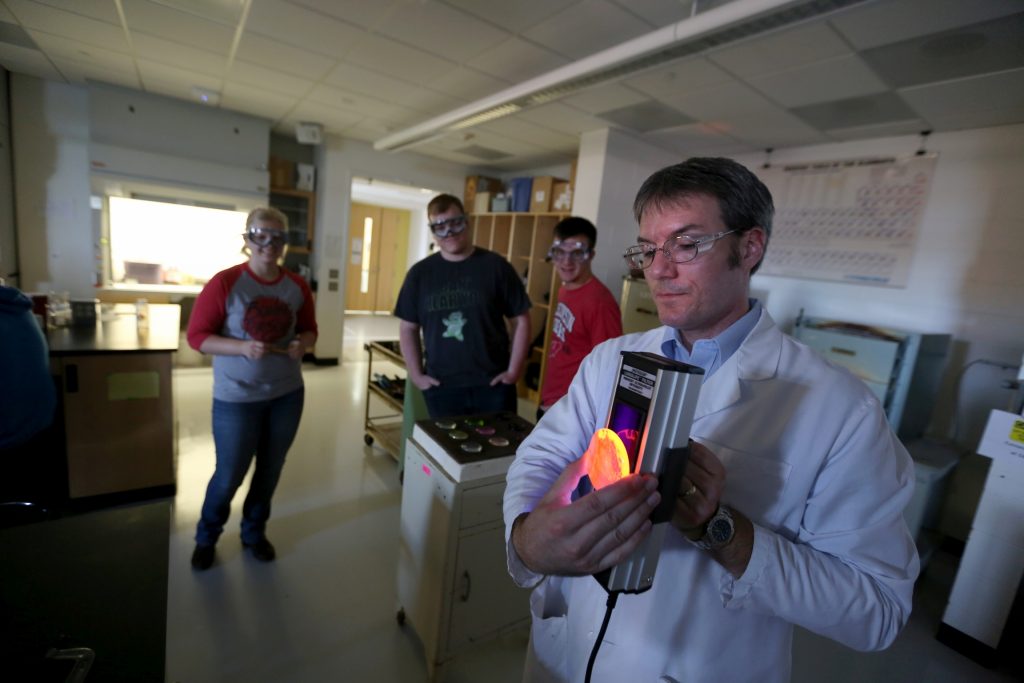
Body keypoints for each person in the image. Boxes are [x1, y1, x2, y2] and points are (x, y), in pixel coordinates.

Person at [503, 158, 919, 682]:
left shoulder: (841, 409)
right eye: (649, 249)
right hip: (562, 651)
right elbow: (541, 455)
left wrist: (719, 529)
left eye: (686, 244)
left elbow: (877, 611)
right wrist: (526, 537)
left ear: (748, 248)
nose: (657, 269)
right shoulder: (611, 359)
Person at [186, 207, 317, 571]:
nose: (268, 244)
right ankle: (206, 536)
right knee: (229, 473)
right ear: (247, 239)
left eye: (277, 237)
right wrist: (240, 347)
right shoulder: (225, 283)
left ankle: (253, 533)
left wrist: (302, 344)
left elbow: (309, 330)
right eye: (260, 235)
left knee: (270, 469)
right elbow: (197, 337)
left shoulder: (297, 285)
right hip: (237, 398)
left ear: (285, 242)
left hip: (286, 395)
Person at [395, 193, 531, 418]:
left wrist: (513, 371)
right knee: (448, 452)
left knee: (497, 451)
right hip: (441, 386)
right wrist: (417, 375)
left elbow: (521, 318)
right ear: (433, 232)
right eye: (440, 226)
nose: (449, 233)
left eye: (455, 223)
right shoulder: (419, 275)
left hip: (493, 384)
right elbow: (407, 328)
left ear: (466, 221)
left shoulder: (496, 267)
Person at [538, 217, 622, 420]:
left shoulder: (600, 302)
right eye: (560, 253)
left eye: (577, 254)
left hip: (571, 412)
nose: (566, 262)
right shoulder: (565, 288)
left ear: (590, 255)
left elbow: (609, 366)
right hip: (551, 401)